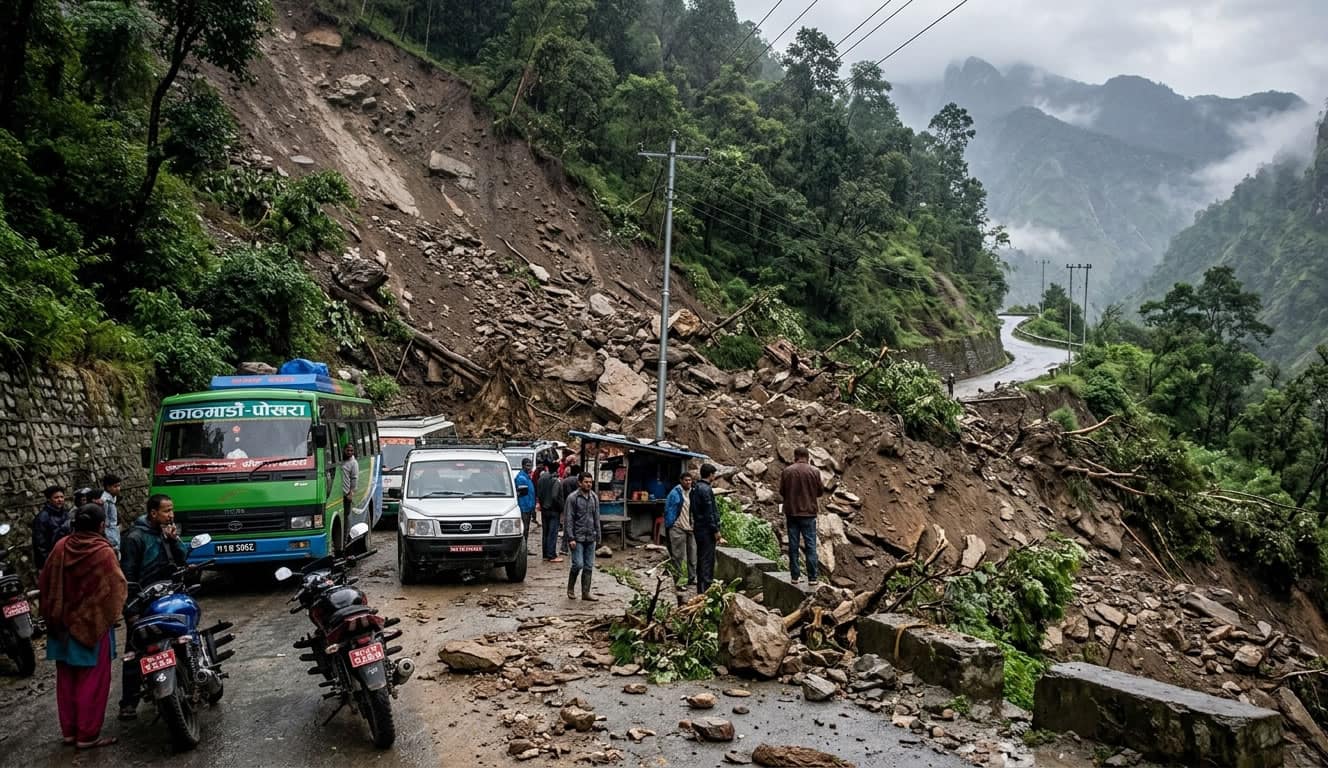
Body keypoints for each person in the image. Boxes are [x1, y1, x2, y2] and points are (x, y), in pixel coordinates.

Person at [39, 503, 127, 749]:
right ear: (101, 525)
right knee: (92, 681)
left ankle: (69, 732)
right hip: (92, 623)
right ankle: (87, 735)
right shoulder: (102, 551)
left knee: (66, 679)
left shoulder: (61, 546)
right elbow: (116, 587)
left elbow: (45, 582)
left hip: (61, 624)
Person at [118, 494, 187, 721]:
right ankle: (129, 702)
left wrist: (174, 540)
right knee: (134, 650)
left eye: (172, 510)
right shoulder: (135, 538)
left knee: (183, 635)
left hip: (168, 596)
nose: (171, 515)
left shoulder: (166, 533)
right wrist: (131, 610)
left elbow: (183, 559)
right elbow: (127, 575)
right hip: (142, 602)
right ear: (153, 513)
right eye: (166, 511)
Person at [779, 447, 825, 584]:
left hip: (792, 513)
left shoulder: (787, 471)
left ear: (795, 457)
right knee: (810, 545)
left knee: (793, 545)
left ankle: (795, 576)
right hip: (809, 514)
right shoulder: (814, 471)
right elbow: (820, 492)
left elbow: (782, 491)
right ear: (808, 457)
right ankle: (812, 577)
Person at [563, 472, 601, 601]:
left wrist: (598, 536)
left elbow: (596, 518)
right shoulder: (572, 498)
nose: (589, 484)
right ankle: (570, 588)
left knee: (589, 566)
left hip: (591, 536)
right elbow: (568, 519)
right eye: (586, 482)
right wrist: (570, 538)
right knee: (578, 564)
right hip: (577, 537)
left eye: (590, 482)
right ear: (580, 483)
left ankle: (586, 593)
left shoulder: (594, 497)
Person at [690, 464, 720, 594]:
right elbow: (709, 513)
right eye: (714, 474)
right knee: (707, 560)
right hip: (706, 530)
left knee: (701, 558)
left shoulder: (695, 488)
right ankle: (706, 590)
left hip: (698, 528)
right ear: (711, 474)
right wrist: (715, 530)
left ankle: (700, 589)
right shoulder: (706, 489)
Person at [664, 472, 696, 587]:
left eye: (690, 480)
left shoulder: (693, 492)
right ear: (681, 481)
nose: (688, 482)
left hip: (690, 528)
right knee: (678, 556)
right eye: (686, 480)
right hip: (678, 527)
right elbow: (668, 510)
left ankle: (692, 578)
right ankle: (678, 581)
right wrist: (670, 524)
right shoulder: (674, 493)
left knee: (693, 556)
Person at [33, 485, 71, 569]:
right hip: (53, 558)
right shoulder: (42, 517)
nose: (60, 500)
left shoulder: (66, 514)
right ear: (49, 499)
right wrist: (47, 563)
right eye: (56, 497)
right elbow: (40, 544)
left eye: (61, 497)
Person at [536, 461, 564, 563]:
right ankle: (551, 555)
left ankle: (545, 554)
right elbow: (555, 496)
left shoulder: (541, 479)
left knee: (545, 532)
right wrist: (561, 507)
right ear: (557, 469)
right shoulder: (556, 481)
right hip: (553, 510)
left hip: (544, 509)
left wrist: (542, 504)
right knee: (552, 533)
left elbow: (538, 493)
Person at [558, 464, 582, 556]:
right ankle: (574, 547)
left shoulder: (564, 481)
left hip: (566, 506)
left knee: (567, 527)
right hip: (577, 507)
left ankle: (564, 547)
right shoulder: (578, 482)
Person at [515, 458, 536, 547]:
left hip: (529, 507)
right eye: (527, 465)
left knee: (526, 529)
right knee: (524, 529)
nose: (529, 467)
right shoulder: (521, 478)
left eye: (530, 465)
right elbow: (522, 494)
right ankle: (522, 548)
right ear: (523, 466)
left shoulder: (527, 477)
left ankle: (525, 547)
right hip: (524, 507)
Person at [99, 474, 122, 555]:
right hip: (109, 534)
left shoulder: (113, 499)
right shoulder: (105, 501)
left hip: (114, 531)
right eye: (115, 486)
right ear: (108, 487)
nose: (118, 488)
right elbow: (105, 521)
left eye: (119, 486)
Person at [341, 442, 359, 526]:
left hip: (346, 494)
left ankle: (346, 534)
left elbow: (354, 479)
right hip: (338, 494)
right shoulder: (341, 461)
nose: (349, 452)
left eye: (351, 451)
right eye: (348, 450)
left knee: (346, 516)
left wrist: (351, 493)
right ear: (344, 450)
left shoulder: (353, 463)